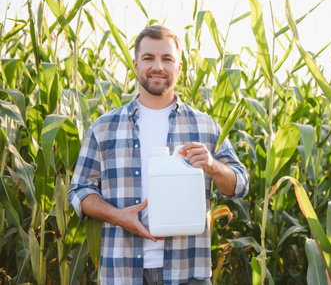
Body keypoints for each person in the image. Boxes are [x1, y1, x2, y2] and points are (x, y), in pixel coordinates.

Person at [68, 25, 249, 285]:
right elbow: (78, 191)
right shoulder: (104, 128)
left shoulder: (205, 127)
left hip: (188, 272)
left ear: (179, 66)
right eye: (148, 58)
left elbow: (240, 184)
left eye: (167, 59)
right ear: (135, 64)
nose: (158, 66)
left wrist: (213, 165)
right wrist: (117, 216)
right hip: (122, 272)